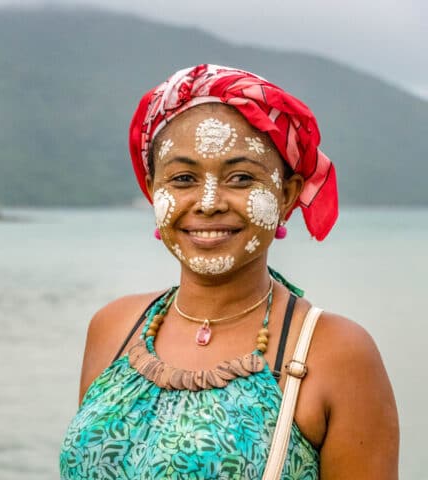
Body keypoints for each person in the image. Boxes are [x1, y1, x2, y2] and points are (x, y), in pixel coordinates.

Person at [59, 64, 399, 479]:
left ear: (287, 195)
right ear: (152, 189)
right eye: (183, 178)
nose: (208, 202)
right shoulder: (115, 328)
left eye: (240, 178)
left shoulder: (335, 354)